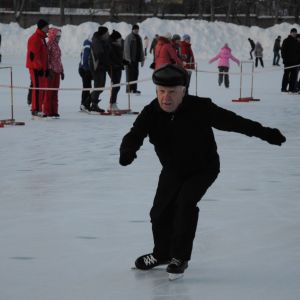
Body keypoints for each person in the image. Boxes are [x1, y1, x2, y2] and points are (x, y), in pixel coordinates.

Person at [119, 64, 286, 280]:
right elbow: (134, 134)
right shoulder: (151, 112)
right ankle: (161, 254)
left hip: (203, 168)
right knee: (159, 212)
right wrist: (128, 150)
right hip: (173, 169)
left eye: (172, 92)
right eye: (161, 91)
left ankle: (179, 257)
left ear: (183, 91)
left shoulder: (200, 108)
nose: (165, 98)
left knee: (184, 205)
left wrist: (266, 133)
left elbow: (235, 122)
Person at [26, 19, 49, 117]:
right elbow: (33, 56)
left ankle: (39, 108)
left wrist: (46, 68)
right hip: (36, 68)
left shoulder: (42, 38)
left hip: (42, 68)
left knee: (41, 89)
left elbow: (43, 55)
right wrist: (38, 68)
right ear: (42, 27)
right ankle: (35, 109)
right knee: (37, 88)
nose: (48, 28)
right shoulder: (35, 38)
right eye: (47, 26)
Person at [89, 26, 111, 113]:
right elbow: (100, 55)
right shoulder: (97, 42)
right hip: (97, 67)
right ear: (103, 34)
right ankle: (92, 104)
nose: (108, 35)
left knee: (100, 87)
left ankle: (88, 103)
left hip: (102, 67)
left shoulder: (103, 41)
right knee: (99, 86)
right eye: (107, 33)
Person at [44, 27, 64, 118]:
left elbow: (58, 60)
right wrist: (49, 70)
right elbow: (47, 59)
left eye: (60, 36)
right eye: (57, 36)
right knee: (49, 92)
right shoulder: (49, 44)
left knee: (55, 92)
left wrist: (62, 70)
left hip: (57, 72)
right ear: (52, 35)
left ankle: (54, 111)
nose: (59, 38)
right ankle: (47, 111)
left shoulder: (57, 45)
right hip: (51, 72)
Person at [108, 30, 126, 112]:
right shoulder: (111, 46)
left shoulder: (116, 45)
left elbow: (118, 58)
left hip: (118, 67)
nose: (120, 40)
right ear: (115, 39)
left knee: (117, 86)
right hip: (114, 68)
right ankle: (112, 103)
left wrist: (123, 62)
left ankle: (113, 103)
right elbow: (112, 58)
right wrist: (117, 64)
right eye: (119, 38)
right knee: (116, 86)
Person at [124, 24, 145, 94]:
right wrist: (128, 59)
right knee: (129, 75)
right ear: (132, 30)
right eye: (135, 29)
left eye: (137, 29)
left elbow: (141, 49)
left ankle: (134, 89)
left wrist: (142, 59)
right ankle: (128, 89)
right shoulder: (129, 37)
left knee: (135, 74)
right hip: (130, 60)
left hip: (136, 60)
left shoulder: (139, 37)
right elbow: (126, 49)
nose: (136, 31)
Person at [281, 28, 299, 93]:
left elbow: (298, 52)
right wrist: (284, 59)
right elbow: (283, 51)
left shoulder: (297, 42)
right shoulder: (286, 40)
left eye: (295, 32)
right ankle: (283, 88)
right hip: (288, 62)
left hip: (296, 62)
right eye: (293, 32)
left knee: (293, 76)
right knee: (286, 75)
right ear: (290, 33)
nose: (294, 34)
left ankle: (291, 89)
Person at [79, 35, 93, 111]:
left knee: (87, 87)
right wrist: (87, 70)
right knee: (86, 87)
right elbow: (84, 59)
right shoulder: (88, 45)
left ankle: (84, 104)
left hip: (85, 69)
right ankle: (84, 105)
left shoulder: (88, 44)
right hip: (84, 69)